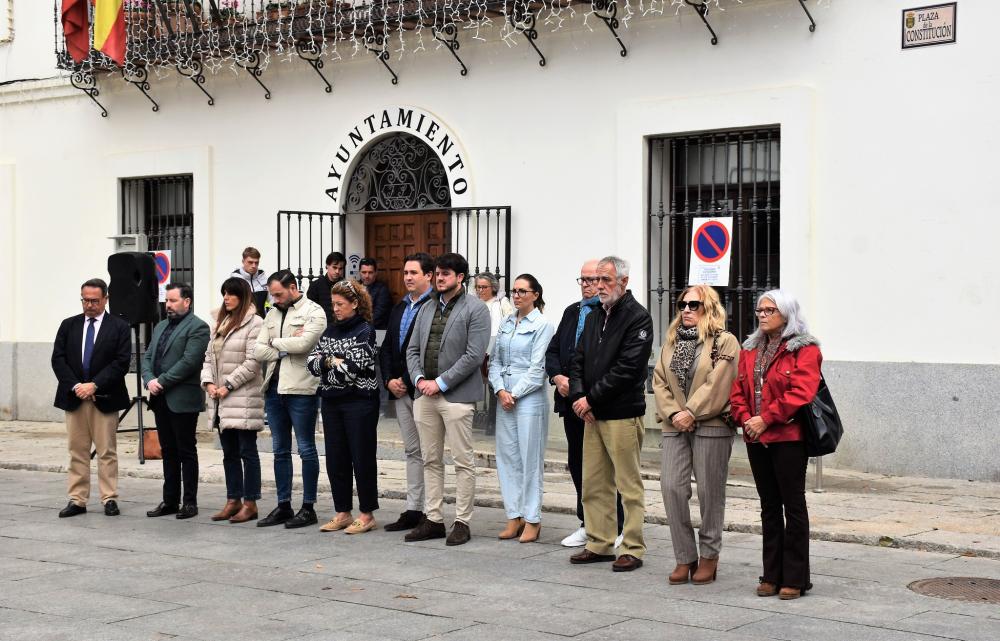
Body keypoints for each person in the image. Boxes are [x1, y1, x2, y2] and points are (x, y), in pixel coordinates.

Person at [730, 289, 821, 600]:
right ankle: (771, 574)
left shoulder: (804, 350)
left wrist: (766, 419)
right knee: (769, 506)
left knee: (793, 506)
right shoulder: (750, 349)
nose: (762, 315)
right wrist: (746, 420)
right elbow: (737, 392)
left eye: (770, 310)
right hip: (756, 438)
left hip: (787, 439)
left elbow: (801, 393)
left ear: (787, 314)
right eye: (759, 310)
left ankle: (795, 578)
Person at [567, 256, 653, 572]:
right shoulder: (592, 317)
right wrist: (578, 396)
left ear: (623, 282)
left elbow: (628, 369)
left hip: (621, 413)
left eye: (606, 280)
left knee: (627, 485)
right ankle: (599, 542)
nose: (599, 286)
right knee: (594, 483)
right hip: (592, 413)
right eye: (596, 280)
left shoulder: (638, 318)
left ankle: (631, 546)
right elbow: (577, 361)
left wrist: (590, 398)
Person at [652, 284, 739, 585]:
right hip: (675, 424)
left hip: (712, 424)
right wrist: (676, 414)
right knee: (671, 487)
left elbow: (718, 384)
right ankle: (684, 556)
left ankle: (709, 556)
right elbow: (660, 381)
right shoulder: (671, 343)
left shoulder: (725, 342)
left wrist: (691, 411)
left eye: (694, 305)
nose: (686, 310)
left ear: (709, 309)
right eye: (682, 304)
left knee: (710, 493)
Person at [404, 253, 490, 546]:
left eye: (445, 274)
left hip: (456, 396)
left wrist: (440, 383)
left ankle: (462, 521)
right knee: (430, 459)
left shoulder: (476, 309)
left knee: (463, 461)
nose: (439, 278)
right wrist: (419, 381)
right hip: (424, 394)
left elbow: (474, 355)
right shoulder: (427, 308)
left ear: (460, 278)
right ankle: (434, 519)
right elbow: (412, 349)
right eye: (437, 274)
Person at [546, 259, 624, 548]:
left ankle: (618, 524)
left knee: (607, 466)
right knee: (578, 463)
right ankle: (587, 521)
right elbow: (553, 350)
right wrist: (557, 377)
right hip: (569, 401)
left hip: (597, 402)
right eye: (584, 280)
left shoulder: (612, 313)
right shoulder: (572, 311)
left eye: (595, 279)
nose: (590, 285)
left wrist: (583, 391)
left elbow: (610, 362)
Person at [50, 278, 132, 518]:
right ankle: (77, 499)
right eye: (85, 300)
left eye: (94, 301)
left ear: (105, 299)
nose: (89, 305)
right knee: (77, 450)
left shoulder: (119, 327)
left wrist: (94, 385)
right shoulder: (69, 325)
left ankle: (109, 498)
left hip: (104, 397)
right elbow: (58, 359)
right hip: (74, 397)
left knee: (106, 451)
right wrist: (76, 385)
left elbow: (121, 362)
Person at [254, 270, 327, 529]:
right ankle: (283, 505)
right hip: (274, 389)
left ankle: (308, 507)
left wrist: (274, 343)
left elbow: (306, 344)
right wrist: (283, 346)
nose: (274, 299)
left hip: (301, 389)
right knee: (280, 450)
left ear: (293, 287)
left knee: (306, 448)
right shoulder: (272, 314)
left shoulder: (314, 311)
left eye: (278, 294)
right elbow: (257, 349)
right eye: (272, 294)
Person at [307, 279, 380, 534]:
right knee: (336, 458)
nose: (335, 309)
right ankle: (342, 512)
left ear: (355, 304)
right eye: (333, 304)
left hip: (360, 402)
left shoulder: (365, 331)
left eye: (340, 304)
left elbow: (351, 372)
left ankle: (367, 513)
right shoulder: (329, 332)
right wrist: (331, 361)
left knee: (361, 457)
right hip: (331, 403)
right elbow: (311, 364)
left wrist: (329, 364)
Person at [488, 274, 554, 543]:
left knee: (530, 459)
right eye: (514, 291)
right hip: (505, 396)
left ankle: (532, 518)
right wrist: (500, 390)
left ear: (535, 294)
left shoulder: (543, 324)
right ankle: (513, 514)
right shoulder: (506, 322)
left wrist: (513, 393)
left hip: (528, 399)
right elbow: (494, 361)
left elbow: (538, 369)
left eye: (522, 291)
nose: (516, 296)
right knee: (507, 457)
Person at [141, 283, 211, 520]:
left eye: (172, 301)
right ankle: (170, 500)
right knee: (168, 450)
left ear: (187, 301)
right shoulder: (161, 326)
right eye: (167, 301)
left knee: (186, 451)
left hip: (182, 399)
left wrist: (161, 381)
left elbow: (189, 362)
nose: (167, 305)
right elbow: (148, 356)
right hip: (159, 397)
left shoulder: (198, 327)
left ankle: (189, 502)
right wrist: (149, 380)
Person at [201, 277, 265, 524]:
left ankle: (250, 502)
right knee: (229, 453)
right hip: (220, 398)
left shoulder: (255, 324)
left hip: (242, 397)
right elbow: (208, 357)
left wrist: (227, 385)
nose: (226, 298)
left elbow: (252, 363)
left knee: (247, 451)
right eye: (224, 293)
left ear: (243, 296)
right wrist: (208, 383)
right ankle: (233, 499)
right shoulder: (221, 321)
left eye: (231, 294)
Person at [379, 252, 434, 532]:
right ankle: (413, 508)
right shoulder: (400, 307)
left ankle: (430, 511)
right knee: (412, 450)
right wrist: (389, 379)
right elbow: (388, 347)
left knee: (429, 452)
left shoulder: (435, 306)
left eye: (414, 273)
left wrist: (407, 379)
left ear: (429, 276)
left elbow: (429, 353)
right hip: (400, 391)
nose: (408, 278)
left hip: (424, 390)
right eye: (406, 273)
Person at [307, 251, 346, 326]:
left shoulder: (346, 285)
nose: (337, 271)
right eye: (334, 267)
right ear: (327, 266)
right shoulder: (315, 285)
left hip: (342, 326)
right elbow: (310, 311)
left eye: (340, 268)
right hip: (322, 327)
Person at [232, 246, 270, 318]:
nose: (253, 266)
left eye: (256, 263)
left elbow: (272, 301)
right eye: (250, 262)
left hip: (262, 322)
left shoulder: (263, 279)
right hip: (242, 322)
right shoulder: (235, 280)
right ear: (243, 261)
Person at [359, 257, 391, 330]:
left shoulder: (382, 290)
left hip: (376, 331)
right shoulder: (353, 287)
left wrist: (357, 326)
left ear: (376, 273)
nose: (367, 276)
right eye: (364, 272)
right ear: (359, 272)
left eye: (370, 272)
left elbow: (378, 316)